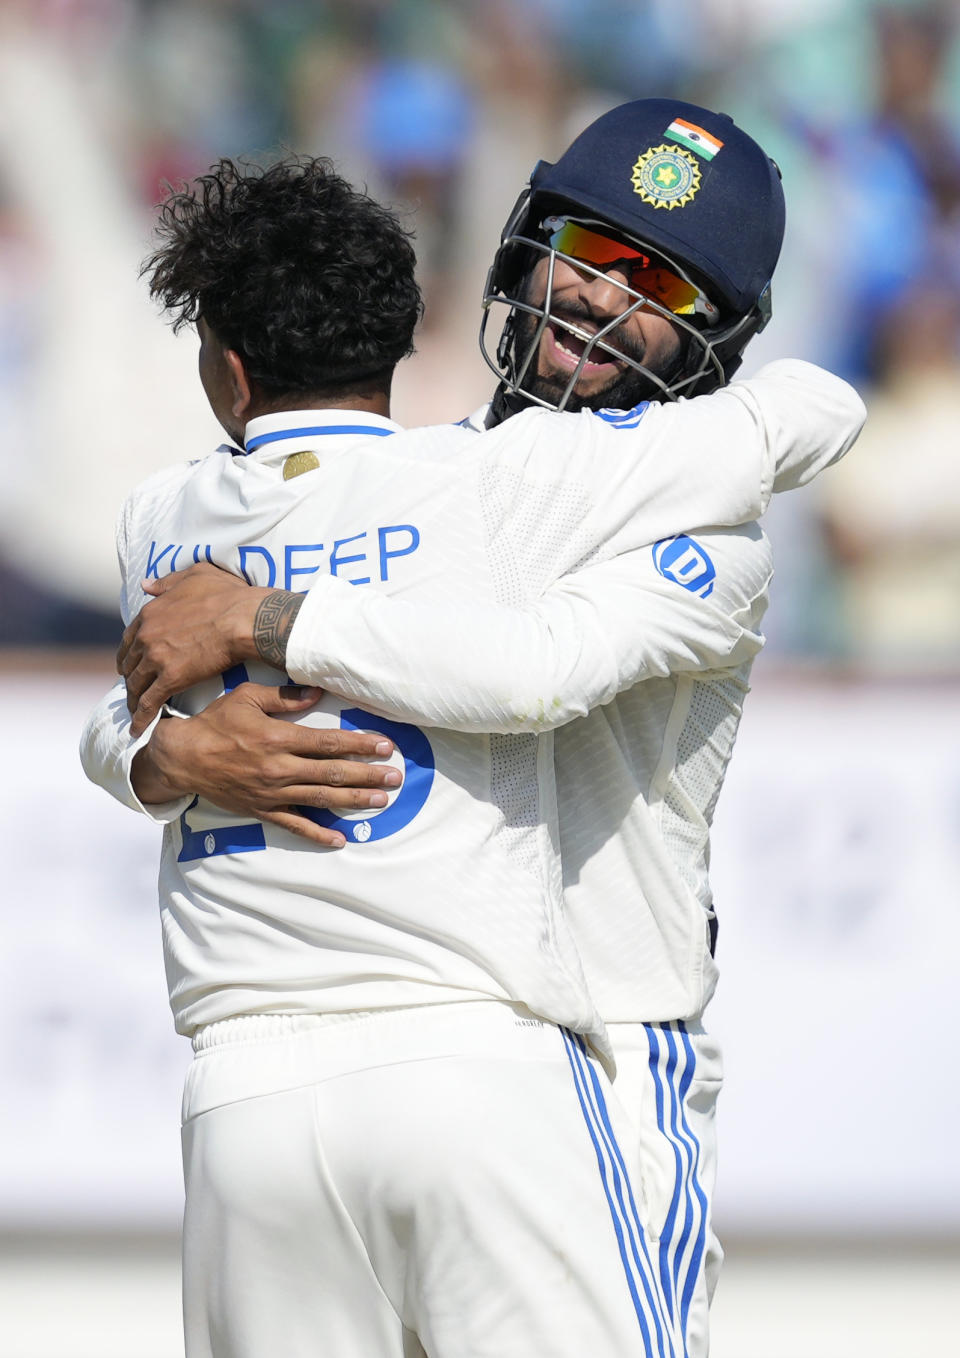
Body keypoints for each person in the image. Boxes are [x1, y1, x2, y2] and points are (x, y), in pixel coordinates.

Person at [81, 108, 864, 1358]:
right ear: (518, 251)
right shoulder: (441, 477)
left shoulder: (709, 538)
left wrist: (272, 617)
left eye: (653, 280)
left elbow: (532, 669)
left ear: (716, 331)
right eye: (582, 250)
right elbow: (150, 664)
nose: (598, 299)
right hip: (443, 1055)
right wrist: (155, 753)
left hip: (607, 1047)